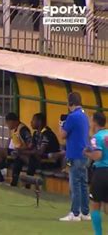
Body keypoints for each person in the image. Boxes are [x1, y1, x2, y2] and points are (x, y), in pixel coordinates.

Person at [59, 92, 91, 222]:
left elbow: (62, 135)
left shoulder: (72, 117)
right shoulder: (84, 115)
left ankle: (75, 213)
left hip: (74, 155)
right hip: (84, 154)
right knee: (83, 183)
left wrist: (61, 124)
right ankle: (85, 212)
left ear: (70, 103)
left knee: (75, 184)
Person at [14, 113, 61, 188]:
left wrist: (24, 152)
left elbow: (40, 152)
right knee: (19, 157)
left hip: (50, 162)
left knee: (32, 158)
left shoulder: (47, 134)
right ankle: (14, 183)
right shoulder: (36, 133)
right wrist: (19, 150)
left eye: (33, 120)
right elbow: (31, 147)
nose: (31, 122)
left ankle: (27, 186)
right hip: (39, 160)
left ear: (39, 122)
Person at [84, 112, 108, 235]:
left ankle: (98, 234)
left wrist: (87, 153)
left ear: (95, 122)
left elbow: (98, 156)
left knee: (95, 205)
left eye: (91, 121)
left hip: (101, 173)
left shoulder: (96, 137)